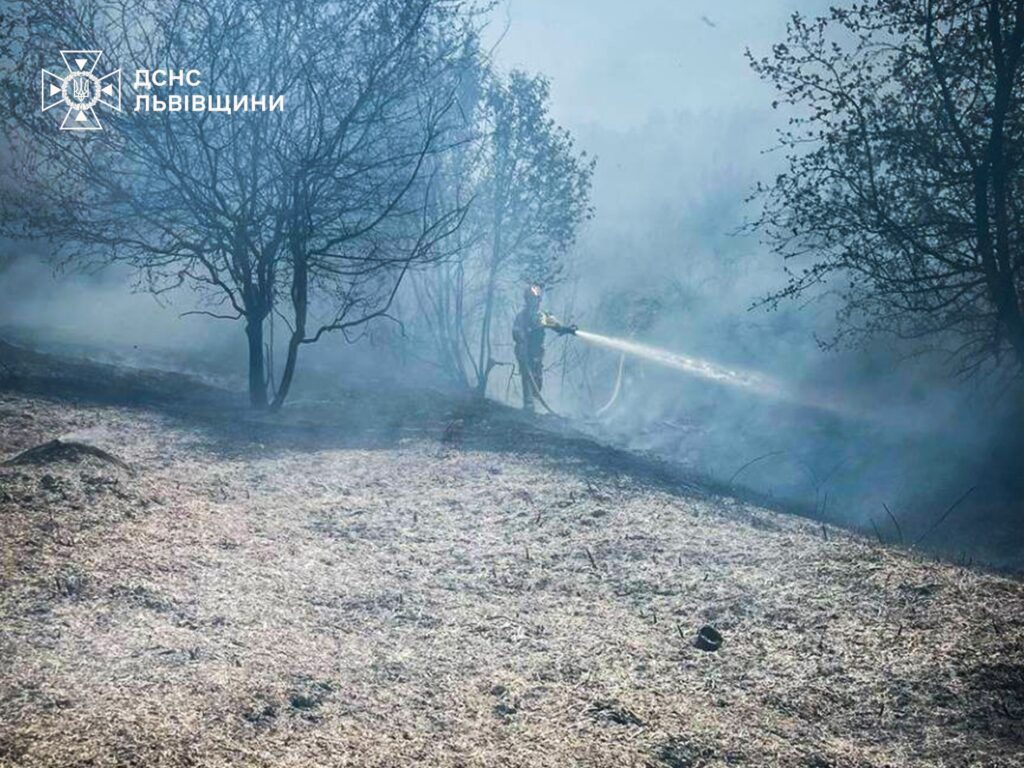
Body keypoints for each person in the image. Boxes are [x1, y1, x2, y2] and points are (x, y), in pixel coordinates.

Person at [512, 283, 576, 412]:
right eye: (532, 299)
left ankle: (533, 403)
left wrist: (569, 330)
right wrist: (522, 344)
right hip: (525, 354)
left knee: (537, 381)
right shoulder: (521, 317)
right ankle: (528, 406)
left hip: (537, 354)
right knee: (527, 378)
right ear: (527, 300)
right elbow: (516, 333)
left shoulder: (542, 316)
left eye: (536, 299)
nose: (535, 302)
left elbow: (558, 327)